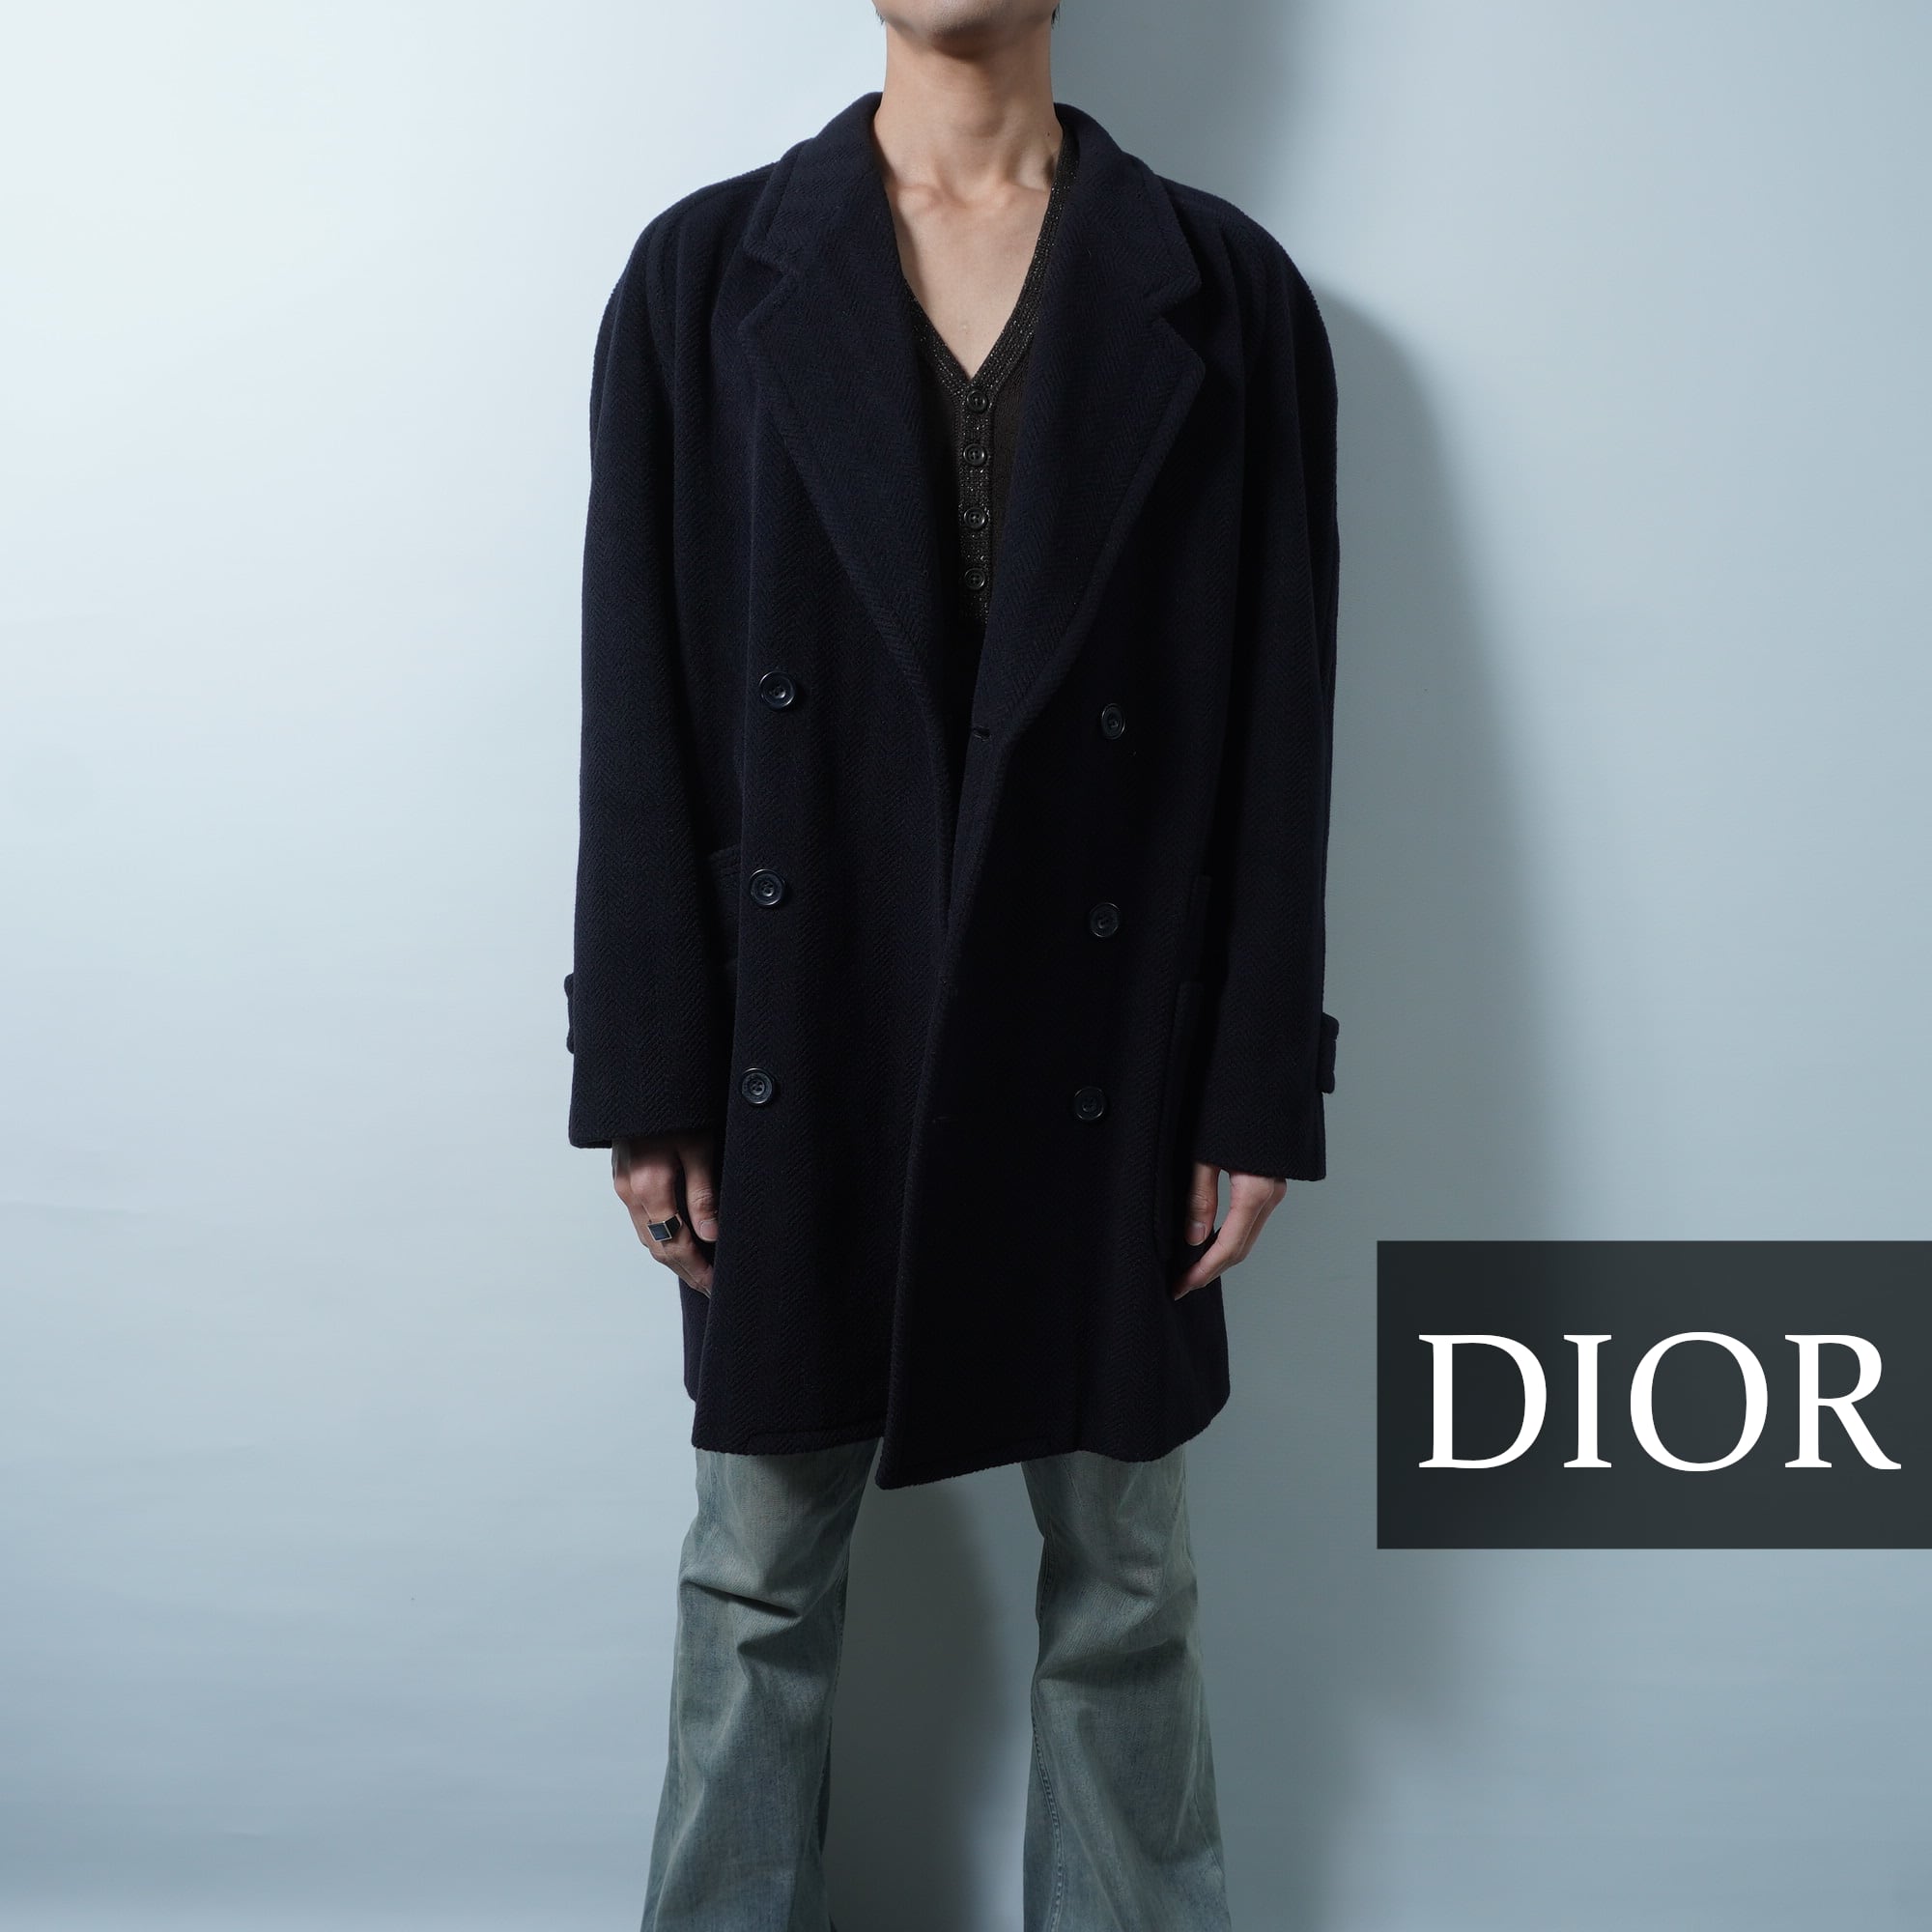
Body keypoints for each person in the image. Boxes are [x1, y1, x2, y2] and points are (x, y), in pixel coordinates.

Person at [563, 3, 1341, 1923]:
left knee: (1128, 1581)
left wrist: (1253, 1075)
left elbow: (1279, 715)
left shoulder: (1227, 291)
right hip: (798, 1020)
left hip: (1107, 1030)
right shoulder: (700, 276)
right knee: (756, 1571)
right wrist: (648, 1058)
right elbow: (637, 696)